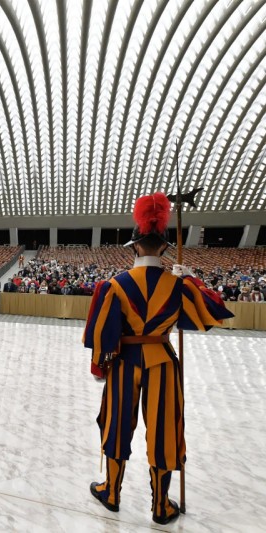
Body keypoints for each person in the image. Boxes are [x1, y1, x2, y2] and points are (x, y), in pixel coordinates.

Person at [83, 192, 234, 526]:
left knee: (117, 424)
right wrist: (190, 278)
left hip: (124, 362)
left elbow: (101, 334)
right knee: (165, 429)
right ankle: (161, 505)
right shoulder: (179, 286)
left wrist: (100, 368)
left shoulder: (114, 285)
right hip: (163, 362)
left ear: (135, 247)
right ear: (165, 249)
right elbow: (212, 314)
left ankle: (112, 492)